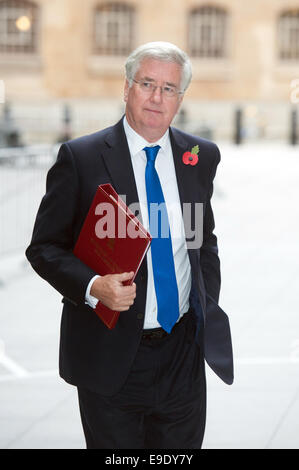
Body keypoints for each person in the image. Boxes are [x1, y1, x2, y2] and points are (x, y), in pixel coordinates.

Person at [26, 41, 233, 449]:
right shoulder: (81, 158)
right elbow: (44, 247)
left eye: (169, 88)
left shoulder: (200, 156)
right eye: (147, 84)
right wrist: (92, 287)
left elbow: (203, 241)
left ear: (180, 98)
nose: (157, 97)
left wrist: (203, 305)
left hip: (181, 356)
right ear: (126, 88)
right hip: (112, 356)